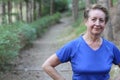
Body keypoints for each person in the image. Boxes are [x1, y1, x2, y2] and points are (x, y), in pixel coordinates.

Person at [42, 4, 120, 80]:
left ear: (105, 23)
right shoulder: (73, 46)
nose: (97, 23)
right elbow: (47, 65)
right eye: (93, 19)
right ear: (86, 21)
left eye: (101, 20)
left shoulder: (110, 47)